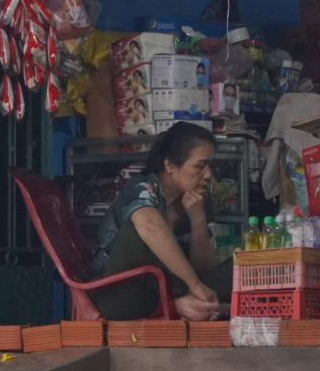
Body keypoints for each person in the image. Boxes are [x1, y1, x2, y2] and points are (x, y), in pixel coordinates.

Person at [88, 122, 235, 322]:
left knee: (240, 267)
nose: (208, 175)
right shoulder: (142, 188)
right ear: (170, 165)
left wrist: (198, 218)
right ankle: (182, 303)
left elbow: (206, 269)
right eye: (200, 166)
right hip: (119, 295)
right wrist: (194, 286)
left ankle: (190, 304)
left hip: (170, 291)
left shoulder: (198, 200)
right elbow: (149, 226)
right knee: (136, 233)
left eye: (211, 166)